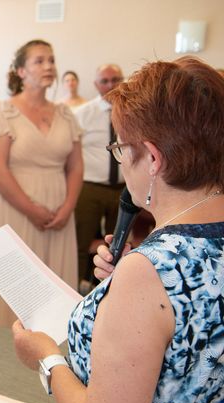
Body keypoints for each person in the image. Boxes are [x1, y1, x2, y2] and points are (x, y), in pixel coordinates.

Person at [13, 56, 224, 403]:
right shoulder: (171, 257)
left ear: (152, 158)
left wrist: (48, 359)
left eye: (120, 148)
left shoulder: (151, 271)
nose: (120, 162)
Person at [0, 39, 83, 327]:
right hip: (14, 211)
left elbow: (75, 166)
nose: (48, 66)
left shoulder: (65, 114)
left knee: (54, 285)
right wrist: (32, 209)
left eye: (51, 60)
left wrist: (68, 207)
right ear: (21, 71)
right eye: (39, 61)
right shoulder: (2, 111)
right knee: (14, 288)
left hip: (59, 211)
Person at [73, 64, 125, 287]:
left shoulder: (131, 111)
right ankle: (75, 287)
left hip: (123, 189)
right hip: (90, 187)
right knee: (81, 242)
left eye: (115, 79)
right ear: (96, 84)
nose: (110, 85)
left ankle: (108, 289)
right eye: (104, 80)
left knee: (118, 245)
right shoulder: (82, 114)